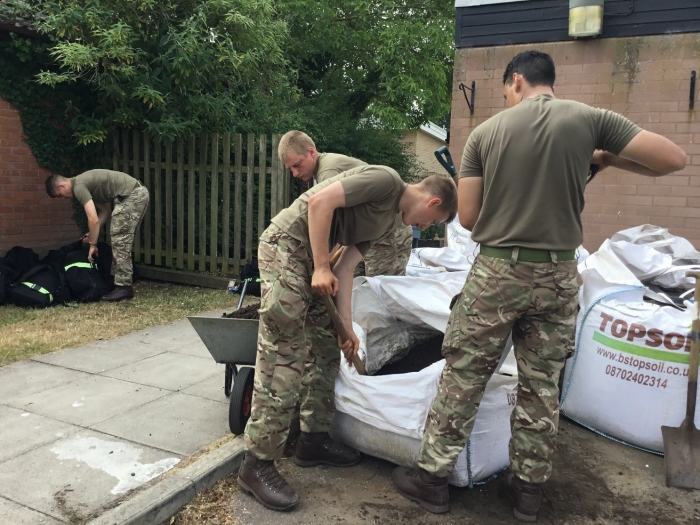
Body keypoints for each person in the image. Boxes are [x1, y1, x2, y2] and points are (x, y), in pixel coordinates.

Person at [391, 50, 687, 521]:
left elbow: (467, 217)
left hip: (498, 273)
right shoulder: (590, 119)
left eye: (505, 90)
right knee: (541, 384)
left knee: (465, 375)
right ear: (550, 81)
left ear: (515, 81)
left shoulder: (485, 134)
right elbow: (672, 160)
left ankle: (432, 481)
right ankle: (527, 491)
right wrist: (604, 158)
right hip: (558, 276)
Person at [238, 165, 458, 512]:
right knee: (285, 354)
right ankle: (256, 464)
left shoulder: (388, 222)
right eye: (430, 222)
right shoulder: (386, 182)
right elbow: (319, 203)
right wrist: (321, 265)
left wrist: (348, 326)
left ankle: (313, 440)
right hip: (287, 246)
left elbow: (346, 268)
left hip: (314, 260)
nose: (422, 228)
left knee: (327, 346)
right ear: (432, 202)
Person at [278, 130, 414, 277]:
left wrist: (322, 266)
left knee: (382, 287)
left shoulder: (328, 171)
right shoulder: (321, 170)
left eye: (297, 165)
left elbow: (334, 224)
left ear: (311, 152)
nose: (295, 173)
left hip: (389, 231)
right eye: (290, 169)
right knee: (356, 283)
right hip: (370, 232)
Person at [45, 170, 150, 302]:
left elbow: (93, 219)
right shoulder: (84, 184)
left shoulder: (79, 187)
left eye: (60, 195)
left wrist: (92, 245)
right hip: (137, 194)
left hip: (132, 196)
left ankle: (124, 287)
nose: (64, 198)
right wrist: (92, 233)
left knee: (120, 240)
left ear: (62, 185)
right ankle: (115, 281)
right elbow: (105, 211)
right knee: (120, 240)